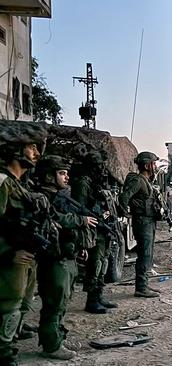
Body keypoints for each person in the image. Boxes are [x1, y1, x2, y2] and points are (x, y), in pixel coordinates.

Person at [33, 155, 97, 360]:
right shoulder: (42, 197)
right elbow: (55, 219)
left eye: (67, 173)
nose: (66, 177)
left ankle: (57, 339)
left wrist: (79, 246)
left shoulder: (59, 196)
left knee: (63, 300)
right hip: (53, 258)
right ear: (48, 176)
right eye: (61, 173)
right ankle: (51, 346)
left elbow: (64, 229)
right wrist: (80, 220)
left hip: (66, 254)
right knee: (54, 301)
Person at [0, 122, 47, 366]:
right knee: (7, 308)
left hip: (25, 259)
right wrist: (8, 253)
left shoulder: (20, 185)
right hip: (9, 260)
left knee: (19, 306)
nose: (36, 153)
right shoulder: (2, 182)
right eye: (31, 147)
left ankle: (9, 347)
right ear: (15, 150)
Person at [71, 151, 117, 313]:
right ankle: (91, 300)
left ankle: (99, 296)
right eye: (99, 165)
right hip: (92, 230)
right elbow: (78, 208)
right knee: (95, 264)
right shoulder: (83, 183)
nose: (103, 169)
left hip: (103, 228)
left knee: (103, 263)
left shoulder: (97, 182)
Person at [118, 151, 162, 298]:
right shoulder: (138, 181)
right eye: (153, 163)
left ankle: (144, 285)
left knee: (147, 253)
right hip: (142, 221)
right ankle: (141, 288)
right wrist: (126, 213)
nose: (155, 166)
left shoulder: (146, 181)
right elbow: (124, 197)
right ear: (146, 165)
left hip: (148, 221)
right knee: (144, 254)